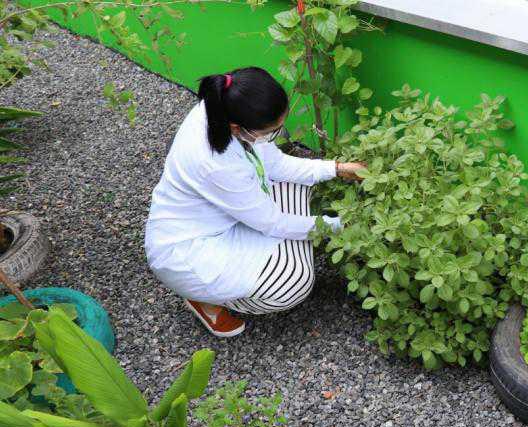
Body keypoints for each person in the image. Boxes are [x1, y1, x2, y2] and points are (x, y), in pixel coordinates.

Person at [144, 66, 364, 337]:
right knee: (294, 282)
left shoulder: (223, 107)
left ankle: (253, 269)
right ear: (238, 128)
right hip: (189, 253)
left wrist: (338, 168)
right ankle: (202, 296)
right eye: (272, 131)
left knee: (297, 190)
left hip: (220, 219)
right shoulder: (216, 163)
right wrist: (343, 225)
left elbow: (275, 164)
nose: (275, 135)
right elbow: (274, 222)